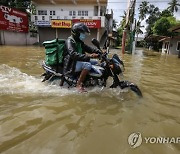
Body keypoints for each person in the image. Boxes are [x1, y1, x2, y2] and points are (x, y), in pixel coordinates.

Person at [63, 23, 100, 92]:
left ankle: (91, 79)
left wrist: (99, 52)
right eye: (82, 33)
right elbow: (73, 54)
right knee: (87, 65)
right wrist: (89, 56)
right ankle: (79, 84)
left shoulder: (79, 42)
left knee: (96, 62)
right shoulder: (69, 41)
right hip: (71, 64)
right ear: (76, 33)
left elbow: (89, 49)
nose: (84, 35)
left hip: (77, 61)